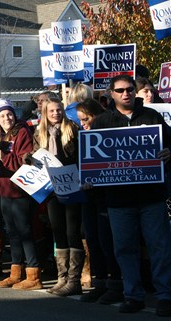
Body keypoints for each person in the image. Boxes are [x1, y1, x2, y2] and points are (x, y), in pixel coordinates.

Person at [91, 75, 171, 316]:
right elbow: (90, 158)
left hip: (152, 197)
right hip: (118, 200)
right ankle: (132, 295)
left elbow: (170, 142)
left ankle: (165, 295)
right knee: (125, 248)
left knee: (160, 247)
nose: (126, 94)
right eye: (120, 90)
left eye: (129, 89)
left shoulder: (152, 117)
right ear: (111, 94)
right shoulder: (101, 122)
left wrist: (169, 152)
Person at [29, 97, 83, 297]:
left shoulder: (73, 130)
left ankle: (74, 279)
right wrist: (30, 159)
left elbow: (79, 156)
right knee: (57, 231)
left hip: (71, 185)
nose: (56, 114)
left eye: (58, 110)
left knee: (72, 231)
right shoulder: (40, 133)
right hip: (51, 188)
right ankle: (62, 278)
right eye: (51, 111)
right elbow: (34, 156)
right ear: (45, 113)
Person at [75, 98, 123, 305]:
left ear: (97, 115)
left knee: (106, 241)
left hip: (106, 196)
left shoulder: (109, 134)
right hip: (89, 196)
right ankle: (99, 283)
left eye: (86, 119)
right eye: (80, 120)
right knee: (92, 239)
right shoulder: (83, 137)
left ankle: (115, 284)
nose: (83, 124)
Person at [0, 100, 41, 290]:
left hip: (21, 190)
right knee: (12, 233)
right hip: (4, 189)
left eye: (9, 114)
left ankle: (34, 273)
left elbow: (24, 161)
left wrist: (2, 156)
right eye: (2, 116)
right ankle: (16, 272)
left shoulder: (22, 132)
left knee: (25, 232)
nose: (7, 118)